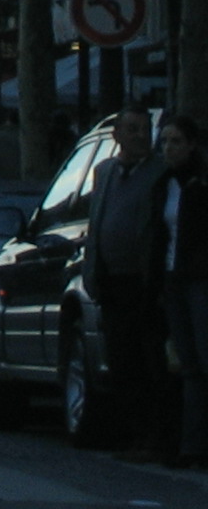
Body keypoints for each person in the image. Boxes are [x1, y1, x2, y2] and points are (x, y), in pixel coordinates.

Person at [90, 109, 171, 462]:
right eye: (133, 129)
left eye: (145, 129)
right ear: (117, 135)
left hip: (144, 282)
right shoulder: (104, 172)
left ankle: (154, 436)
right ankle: (133, 433)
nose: (141, 136)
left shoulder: (160, 173)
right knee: (121, 360)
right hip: (111, 282)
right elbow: (96, 223)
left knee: (149, 361)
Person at [152, 115, 208, 468]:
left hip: (199, 278)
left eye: (175, 141)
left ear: (191, 145)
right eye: (165, 141)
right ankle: (190, 445)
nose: (169, 148)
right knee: (187, 365)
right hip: (172, 279)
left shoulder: (199, 185)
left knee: (203, 360)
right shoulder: (165, 185)